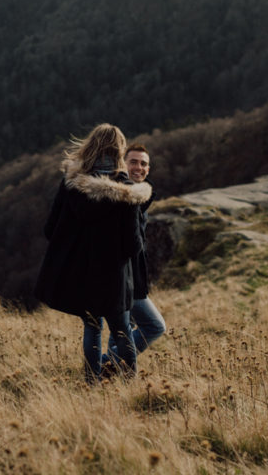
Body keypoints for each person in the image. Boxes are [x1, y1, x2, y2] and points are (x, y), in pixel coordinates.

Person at [34, 124, 152, 383]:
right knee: (122, 331)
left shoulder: (71, 183)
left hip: (82, 274)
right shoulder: (126, 191)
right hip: (115, 276)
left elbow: (50, 228)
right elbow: (133, 246)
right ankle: (128, 384)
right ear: (119, 149)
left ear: (91, 146)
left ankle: (91, 382)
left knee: (92, 328)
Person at [104, 144, 166, 364]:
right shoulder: (119, 197)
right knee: (154, 326)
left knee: (121, 332)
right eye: (133, 161)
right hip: (121, 280)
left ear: (148, 169)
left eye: (144, 163)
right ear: (123, 163)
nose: (139, 167)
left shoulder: (139, 198)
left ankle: (107, 377)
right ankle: (101, 365)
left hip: (132, 279)